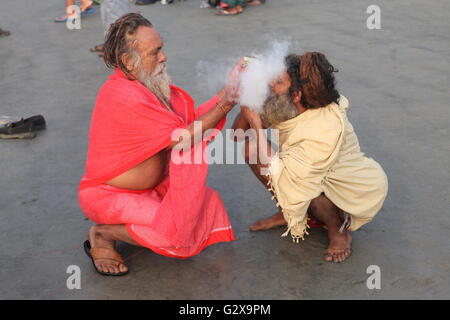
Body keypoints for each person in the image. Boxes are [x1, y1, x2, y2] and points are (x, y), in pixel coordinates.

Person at [79, 13, 242, 276]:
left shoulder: (144, 84)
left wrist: (227, 91)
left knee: (206, 204)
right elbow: (184, 138)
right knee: (177, 233)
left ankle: (128, 225)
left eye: (161, 48)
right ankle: (103, 233)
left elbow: (188, 123)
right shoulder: (123, 95)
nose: (163, 57)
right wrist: (226, 103)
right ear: (128, 61)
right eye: (155, 52)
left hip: (151, 189)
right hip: (108, 195)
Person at [233, 52, 388, 263]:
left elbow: (283, 173)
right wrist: (249, 98)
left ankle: (338, 231)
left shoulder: (323, 129)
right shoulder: (284, 103)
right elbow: (237, 135)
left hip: (344, 190)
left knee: (313, 191)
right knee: (252, 147)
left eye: (277, 81)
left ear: (296, 95)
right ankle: (290, 212)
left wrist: (257, 124)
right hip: (299, 171)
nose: (269, 83)